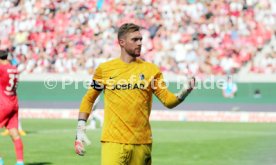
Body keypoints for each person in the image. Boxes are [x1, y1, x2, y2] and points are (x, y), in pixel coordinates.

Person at [74, 23, 195, 165]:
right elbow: (89, 99)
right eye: (135, 40)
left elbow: (168, 101)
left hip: (142, 143)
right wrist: (80, 130)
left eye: (140, 39)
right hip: (113, 142)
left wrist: (184, 92)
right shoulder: (105, 70)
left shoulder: (151, 70)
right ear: (122, 42)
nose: (140, 43)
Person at [0, 50, 24, 165]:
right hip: (14, 103)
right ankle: (20, 162)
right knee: (14, 133)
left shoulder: (1, 69)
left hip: (3, 104)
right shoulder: (14, 69)